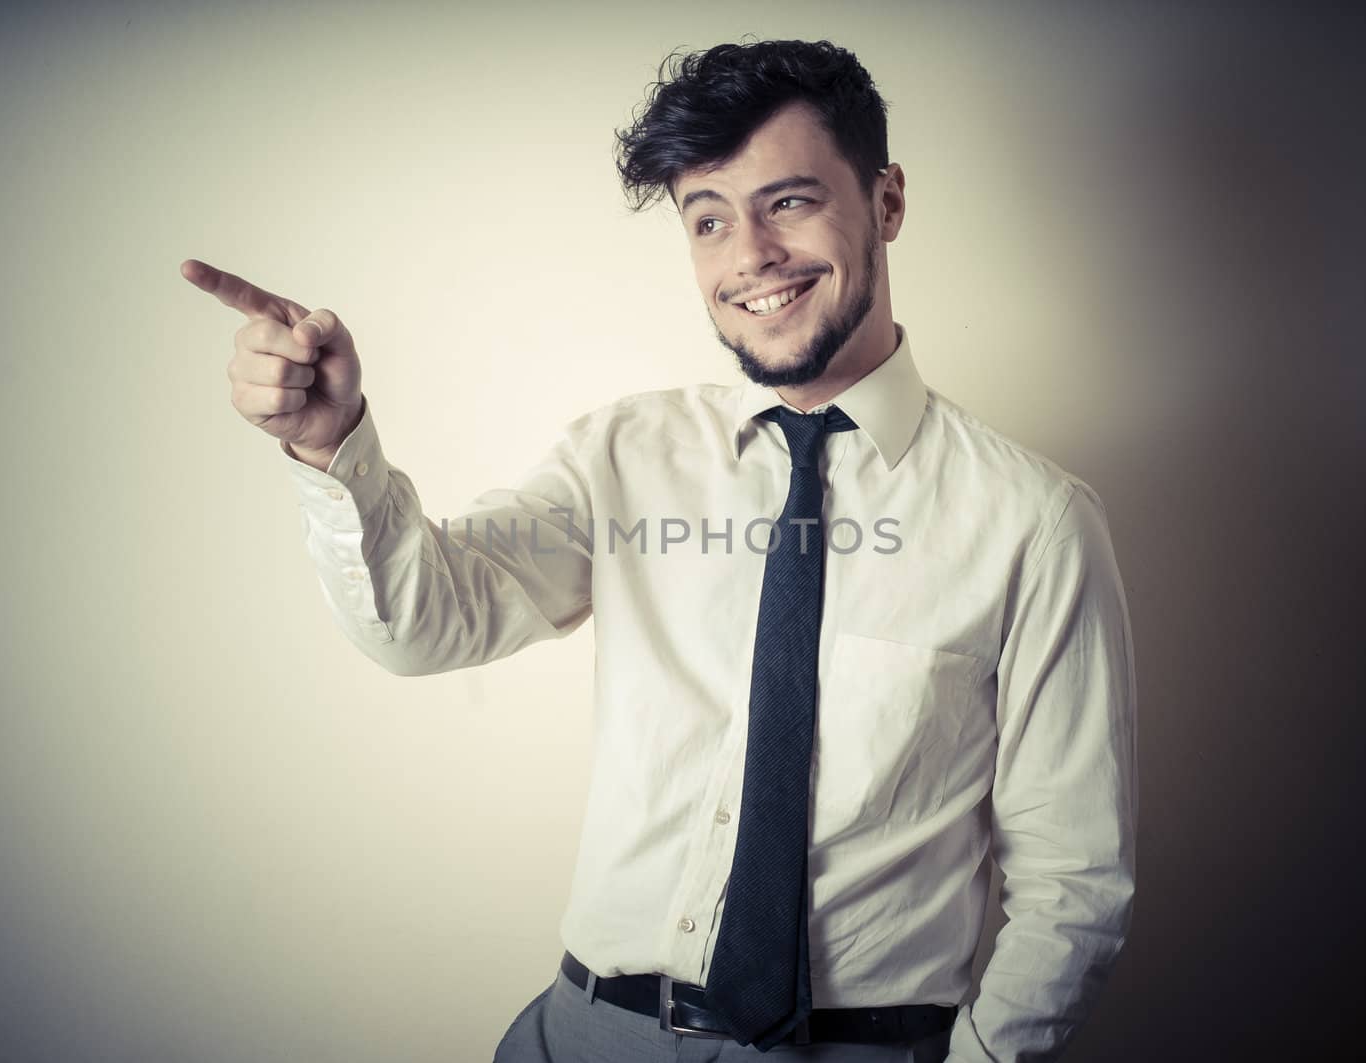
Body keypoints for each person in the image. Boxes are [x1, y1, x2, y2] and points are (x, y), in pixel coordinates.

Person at [182, 38, 1136, 1063]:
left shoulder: (1032, 521)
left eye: (790, 201)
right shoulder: (622, 457)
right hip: (585, 1032)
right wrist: (331, 442)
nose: (748, 257)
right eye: (709, 220)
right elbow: (425, 624)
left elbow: (1075, 876)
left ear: (887, 201)